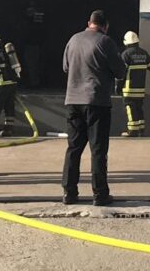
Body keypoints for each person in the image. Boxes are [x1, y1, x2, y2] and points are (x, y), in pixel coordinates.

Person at [61, 10, 126, 206]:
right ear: (105, 26)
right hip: (96, 101)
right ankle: (100, 194)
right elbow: (120, 71)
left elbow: (66, 67)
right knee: (98, 150)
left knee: (73, 148)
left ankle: (69, 193)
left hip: (73, 100)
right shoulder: (105, 42)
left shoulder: (73, 39)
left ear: (89, 23)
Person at [119, 31, 150, 137]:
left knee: (130, 108)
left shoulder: (125, 54)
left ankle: (132, 131)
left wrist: (118, 87)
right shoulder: (143, 53)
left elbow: (121, 72)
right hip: (140, 89)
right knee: (139, 108)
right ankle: (141, 129)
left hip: (129, 89)